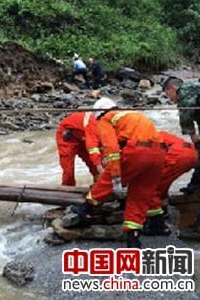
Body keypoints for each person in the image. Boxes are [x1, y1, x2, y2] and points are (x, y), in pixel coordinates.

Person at [71, 98, 166, 248]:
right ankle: (134, 236)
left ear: (100, 114)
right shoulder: (132, 115)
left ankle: (87, 207)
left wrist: (115, 176)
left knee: (106, 178)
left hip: (139, 151)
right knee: (140, 194)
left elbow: (112, 150)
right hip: (160, 153)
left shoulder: (106, 119)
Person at [143, 131, 198, 236]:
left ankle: (159, 226)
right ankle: (163, 211)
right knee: (163, 183)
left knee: (152, 189)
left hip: (178, 156)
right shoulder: (155, 133)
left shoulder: (138, 141)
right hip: (191, 153)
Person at [163, 77, 200, 193]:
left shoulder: (184, 90)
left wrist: (193, 136)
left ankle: (198, 184)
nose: (171, 100)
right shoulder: (196, 88)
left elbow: (186, 114)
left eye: (168, 95)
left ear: (172, 89)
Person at [56, 112, 102, 186]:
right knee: (68, 169)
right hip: (68, 134)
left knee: (94, 166)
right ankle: (68, 189)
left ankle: (99, 184)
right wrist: (99, 164)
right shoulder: (94, 125)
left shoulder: (107, 124)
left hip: (82, 134)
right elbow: (92, 147)